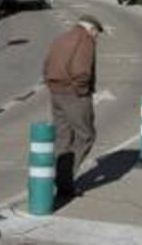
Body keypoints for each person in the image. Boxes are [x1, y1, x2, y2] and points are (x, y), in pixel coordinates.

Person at [42, 15, 103, 202]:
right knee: (86, 135)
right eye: (97, 35)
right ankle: (64, 179)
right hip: (74, 94)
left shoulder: (62, 37)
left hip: (56, 92)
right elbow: (81, 70)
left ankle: (58, 179)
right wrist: (82, 90)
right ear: (92, 29)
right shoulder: (85, 40)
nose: (96, 39)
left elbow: (46, 64)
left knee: (63, 137)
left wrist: (52, 85)